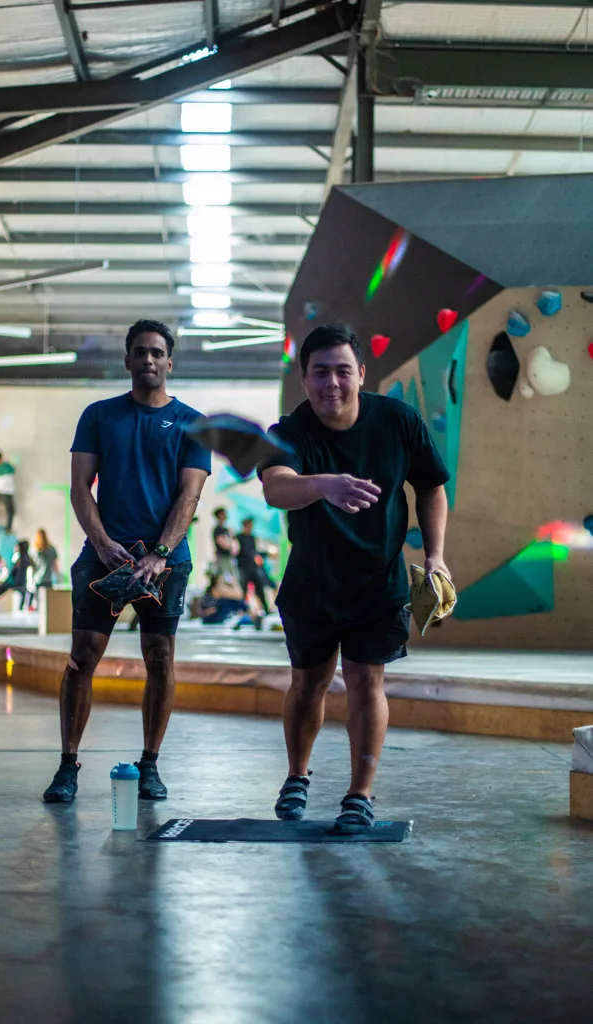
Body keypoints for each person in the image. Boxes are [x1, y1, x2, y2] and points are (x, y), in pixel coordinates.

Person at [258, 323, 451, 833]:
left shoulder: (398, 421)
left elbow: (432, 486)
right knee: (308, 684)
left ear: (361, 374)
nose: (332, 383)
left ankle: (359, 794)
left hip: (378, 581)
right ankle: (297, 776)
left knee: (367, 682)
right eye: (320, 372)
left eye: (343, 371)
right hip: (313, 583)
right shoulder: (289, 432)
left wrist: (435, 556)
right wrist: (325, 485)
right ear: (304, 378)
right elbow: (276, 488)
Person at [42, 318, 211, 804]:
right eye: (141, 352)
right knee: (82, 657)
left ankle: (150, 765)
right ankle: (67, 766)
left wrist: (160, 553)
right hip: (106, 557)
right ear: (128, 360)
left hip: (166, 561)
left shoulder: (193, 424)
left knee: (160, 658)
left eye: (157, 352)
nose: (149, 359)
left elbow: (189, 496)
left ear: (170, 362)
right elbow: (80, 488)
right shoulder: (99, 416)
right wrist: (100, 543)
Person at [236, 517, 270, 615]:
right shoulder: (239, 537)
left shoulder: (252, 538)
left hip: (252, 567)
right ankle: (242, 609)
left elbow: (254, 551)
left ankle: (265, 608)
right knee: (243, 589)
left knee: (259, 588)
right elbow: (241, 552)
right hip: (243, 568)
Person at [31, 528, 59, 604]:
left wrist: (31, 579)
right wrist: (57, 577)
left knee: (38, 602)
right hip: (48, 579)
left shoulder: (33, 550)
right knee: (48, 603)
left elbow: (32, 566)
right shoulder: (52, 549)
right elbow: (55, 565)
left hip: (37, 579)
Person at [212, 507, 239, 576]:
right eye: (222, 514)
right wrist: (230, 544)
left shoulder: (226, 530)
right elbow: (222, 543)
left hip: (229, 557)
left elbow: (235, 544)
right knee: (224, 577)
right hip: (221, 557)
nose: (224, 516)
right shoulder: (217, 529)